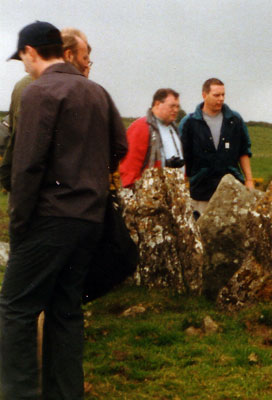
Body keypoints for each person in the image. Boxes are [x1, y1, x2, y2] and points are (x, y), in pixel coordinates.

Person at [0, 21, 128, 398]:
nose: (23, 65)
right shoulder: (97, 92)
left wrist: (19, 225)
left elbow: (27, 166)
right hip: (90, 219)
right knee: (66, 309)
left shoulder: (41, 92)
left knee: (15, 307)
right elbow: (119, 148)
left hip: (50, 219)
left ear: (30, 52)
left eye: (22, 57)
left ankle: (20, 394)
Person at [0, 27, 90, 191]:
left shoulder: (26, 86)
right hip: (49, 191)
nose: (87, 65)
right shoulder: (33, 88)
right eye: (85, 58)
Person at [179, 78, 253, 215]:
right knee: (201, 233)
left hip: (232, 190)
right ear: (204, 95)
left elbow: (244, 151)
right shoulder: (189, 123)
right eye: (216, 95)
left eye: (223, 95)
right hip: (201, 191)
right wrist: (180, 186)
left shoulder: (235, 120)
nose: (221, 99)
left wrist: (249, 180)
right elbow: (182, 156)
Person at [119, 88, 185, 188]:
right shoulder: (141, 127)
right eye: (172, 106)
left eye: (177, 106)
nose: (176, 110)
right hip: (149, 195)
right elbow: (129, 167)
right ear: (158, 104)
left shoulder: (174, 129)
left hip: (174, 193)